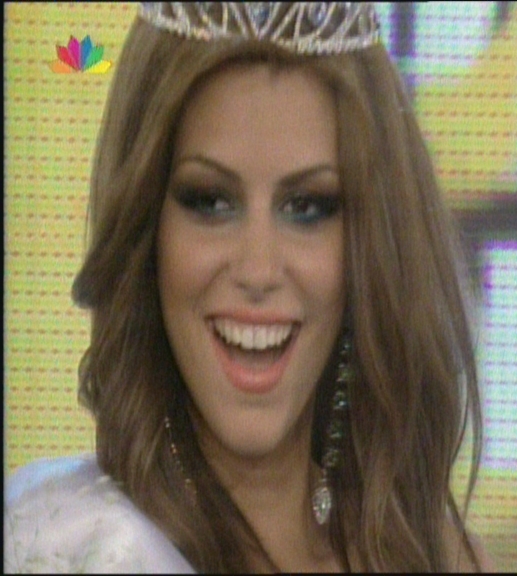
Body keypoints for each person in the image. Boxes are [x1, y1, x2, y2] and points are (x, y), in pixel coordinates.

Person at [4, 2, 488, 572]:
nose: (258, 271)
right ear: (147, 230)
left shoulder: (433, 556)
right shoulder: (65, 544)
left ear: (368, 247)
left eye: (307, 207)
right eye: (211, 201)